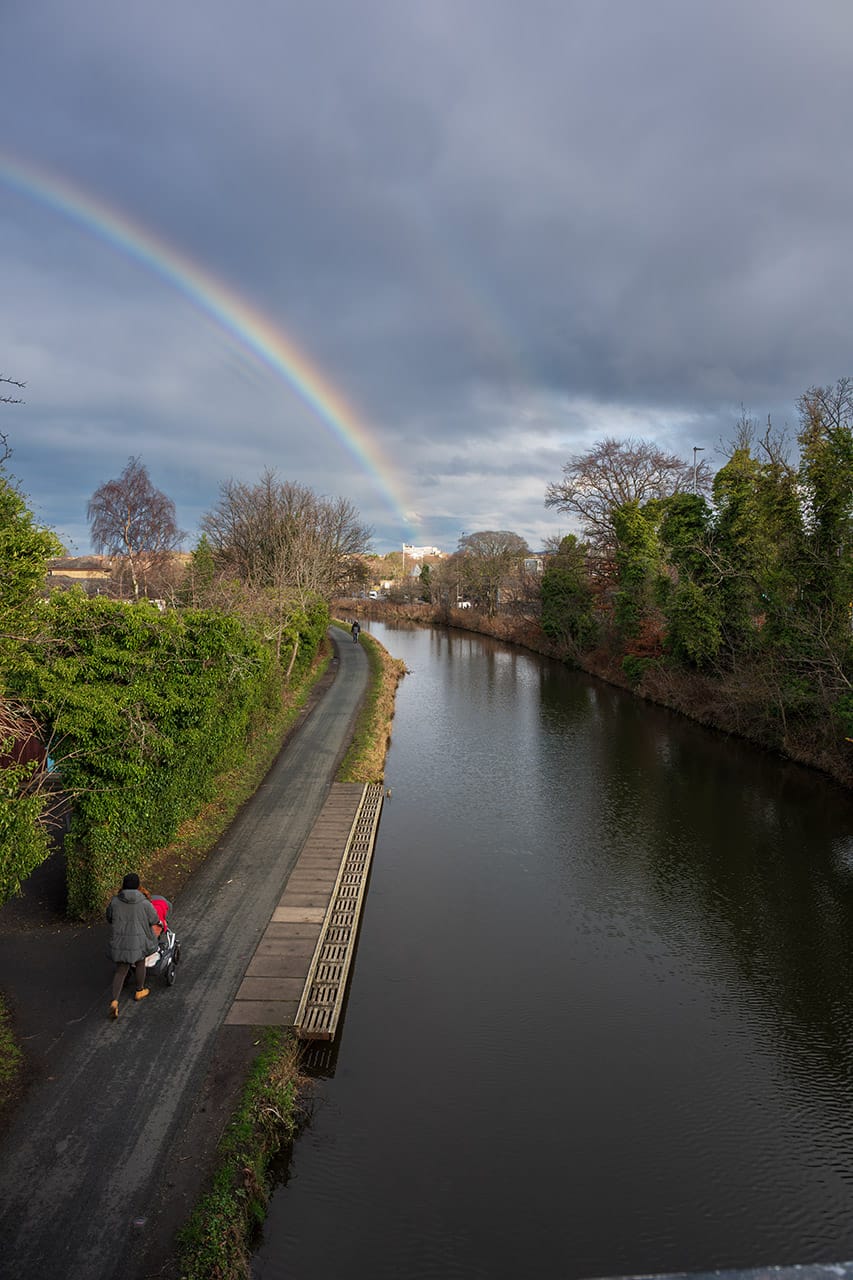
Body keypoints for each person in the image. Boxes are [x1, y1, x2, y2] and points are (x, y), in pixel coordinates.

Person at [105, 873, 161, 1019]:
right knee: (140, 962)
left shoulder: (115, 902)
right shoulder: (144, 903)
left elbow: (109, 918)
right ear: (138, 886)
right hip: (138, 941)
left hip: (120, 940)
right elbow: (154, 919)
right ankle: (139, 990)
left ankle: (114, 1001)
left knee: (121, 970)